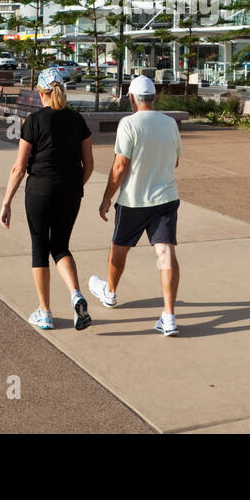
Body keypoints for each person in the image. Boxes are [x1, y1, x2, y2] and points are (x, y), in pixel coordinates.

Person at [0, 68, 95, 331]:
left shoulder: (33, 121)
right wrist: (76, 186)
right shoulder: (78, 120)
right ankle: (76, 295)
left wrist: (6, 202)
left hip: (39, 192)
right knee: (61, 246)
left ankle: (45, 312)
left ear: (40, 93)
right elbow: (88, 164)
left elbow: (19, 168)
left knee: (40, 249)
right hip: (70, 192)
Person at [89, 75, 184, 336]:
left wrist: (106, 198)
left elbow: (120, 166)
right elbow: (175, 161)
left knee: (118, 250)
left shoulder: (128, 123)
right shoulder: (169, 123)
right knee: (165, 254)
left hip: (132, 201)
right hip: (165, 200)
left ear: (131, 98)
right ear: (154, 98)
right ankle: (169, 316)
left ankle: (110, 293)